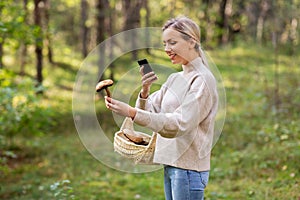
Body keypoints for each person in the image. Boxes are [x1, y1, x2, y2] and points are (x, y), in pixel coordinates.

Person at [105, 16, 218, 200]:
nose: (167, 49)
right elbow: (151, 111)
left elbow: (180, 123)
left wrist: (131, 113)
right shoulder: (176, 78)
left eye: (172, 42)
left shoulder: (202, 80)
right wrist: (144, 91)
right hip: (171, 165)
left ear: (192, 42)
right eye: (164, 43)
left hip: (189, 170)